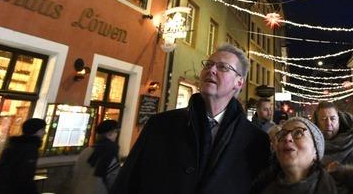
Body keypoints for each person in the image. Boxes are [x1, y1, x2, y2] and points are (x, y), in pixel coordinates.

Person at [111, 44, 270, 194]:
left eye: (222, 67)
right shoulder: (160, 125)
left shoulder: (256, 141)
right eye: (208, 65)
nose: (211, 70)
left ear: (239, 82)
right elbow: (127, 183)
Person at [257, 117, 338, 194]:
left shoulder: (341, 188)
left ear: (315, 151)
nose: (287, 138)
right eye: (282, 134)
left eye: (298, 133)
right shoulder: (261, 189)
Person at [0, 117, 46, 194]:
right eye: (43, 130)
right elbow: (25, 176)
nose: (44, 132)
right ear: (36, 131)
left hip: (0, 187)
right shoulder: (29, 149)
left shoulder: (14, 145)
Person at [313, 102, 353, 170]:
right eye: (323, 119)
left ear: (339, 120)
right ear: (317, 123)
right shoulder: (311, 150)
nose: (328, 123)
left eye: (332, 119)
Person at [71, 120, 120, 194]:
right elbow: (113, 179)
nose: (116, 135)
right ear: (110, 133)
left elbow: (76, 174)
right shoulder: (110, 152)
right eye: (116, 132)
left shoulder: (86, 151)